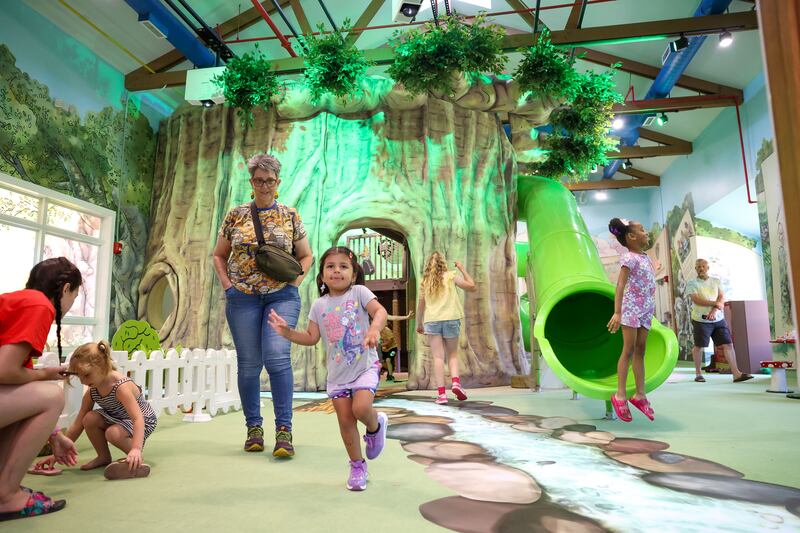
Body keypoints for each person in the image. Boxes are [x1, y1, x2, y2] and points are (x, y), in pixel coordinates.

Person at [212, 153, 313, 457]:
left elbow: (307, 255)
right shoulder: (236, 215)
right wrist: (228, 286)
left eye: (270, 180)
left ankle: (284, 430)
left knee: (277, 357)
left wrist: (294, 283)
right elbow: (219, 254)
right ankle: (253, 428)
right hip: (242, 297)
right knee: (249, 364)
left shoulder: (290, 214)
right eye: (259, 180)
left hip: (281, 296)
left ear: (278, 182)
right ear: (251, 181)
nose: (264, 185)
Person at [268, 246, 389, 491]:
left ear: (353, 274)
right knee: (345, 421)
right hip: (337, 375)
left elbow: (380, 311)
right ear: (322, 276)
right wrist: (287, 332)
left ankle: (375, 427)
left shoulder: (359, 293)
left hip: (364, 366)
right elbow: (311, 337)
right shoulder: (319, 305)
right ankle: (357, 465)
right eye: (330, 267)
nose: (337, 271)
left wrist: (374, 329)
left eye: (344, 266)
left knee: (361, 407)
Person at [0, 257, 81, 521]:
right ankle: (6, 495)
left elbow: (11, 387)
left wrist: (54, 434)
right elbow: (4, 371)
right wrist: (45, 374)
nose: (71, 304)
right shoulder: (39, 306)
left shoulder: (15, 300)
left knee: (39, 392)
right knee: (52, 395)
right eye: (75, 295)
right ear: (66, 288)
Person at [33, 340, 157, 480]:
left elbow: (137, 418)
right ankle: (103, 456)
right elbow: (79, 423)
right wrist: (57, 454)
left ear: (103, 366)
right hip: (117, 417)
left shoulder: (121, 387)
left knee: (113, 434)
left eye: (86, 375)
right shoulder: (93, 391)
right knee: (89, 418)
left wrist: (136, 448)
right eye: (79, 376)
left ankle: (135, 458)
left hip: (143, 419)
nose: (82, 381)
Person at [606, 218, 656, 422]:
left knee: (641, 350)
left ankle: (640, 394)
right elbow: (620, 286)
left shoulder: (645, 257)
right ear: (632, 236)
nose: (647, 232)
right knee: (628, 350)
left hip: (646, 309)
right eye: (643, 229)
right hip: (631, 308)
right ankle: (619, 395)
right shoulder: (629, 258)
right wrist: (617, 312)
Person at [416, 252, 476, 404]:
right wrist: (462, 268)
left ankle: (441, 395)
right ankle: (456, 383)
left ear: (429, 265)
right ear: (443, 263)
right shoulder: (450, 276)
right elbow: (471, 286)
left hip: (432, 321)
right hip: (451, 318)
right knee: (453, 355)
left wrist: (418, 324)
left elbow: (421, 306)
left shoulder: (425, 282)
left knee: (437, 357)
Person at [686, 258, 753, 383]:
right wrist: (715, 303)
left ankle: (736, 374)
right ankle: (698, 373)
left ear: (707, 268)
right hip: (700, 320)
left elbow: (722, 297)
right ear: (696, 269)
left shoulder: (716, 281)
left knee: (728, 344)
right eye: (698, 267)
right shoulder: (692, 283)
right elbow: (696, 300)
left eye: (703, 266)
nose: (701, 268)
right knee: (699, 346)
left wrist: (714, 310)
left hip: (718, 319)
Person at [379, 311, 414, 381]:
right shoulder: (378, 329)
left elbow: (394, 318)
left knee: (388, 360)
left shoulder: (387, 330)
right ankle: (387, 371)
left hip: (392, 348)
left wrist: (407, 317)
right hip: (384, 349)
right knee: (384, 362)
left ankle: (390, 375)